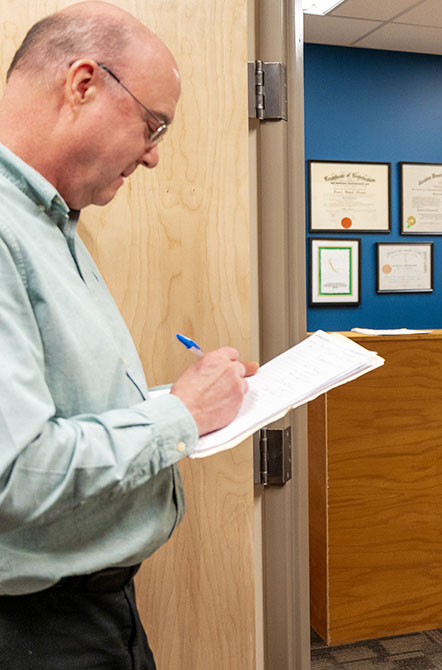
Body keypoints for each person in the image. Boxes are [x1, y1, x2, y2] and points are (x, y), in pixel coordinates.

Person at [0, 2, 257, 668]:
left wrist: (191, 397)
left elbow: (57, 412)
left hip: (92, 612)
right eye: (153, 124)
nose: (152, 156)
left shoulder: (50, 222)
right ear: (83, 83)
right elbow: (16, 474)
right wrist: (180, 415)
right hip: (34, 629)